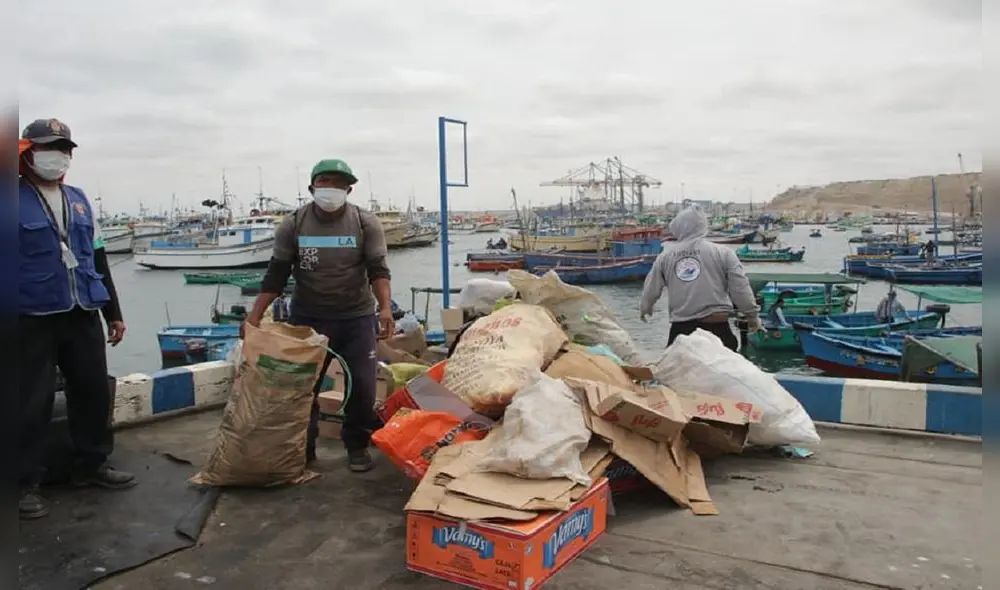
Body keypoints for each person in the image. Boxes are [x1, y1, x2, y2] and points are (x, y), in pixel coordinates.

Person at [244, 158, 393, 473]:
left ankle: (356, 446)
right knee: (302, 388)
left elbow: (378, 269)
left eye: (339, 183)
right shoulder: (294, 224)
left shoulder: (365, 222)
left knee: (363, 387)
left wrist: (386, 308)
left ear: (348, 189)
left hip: (356, 317)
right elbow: (276, 274)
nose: (331, 189)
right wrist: (254, 316)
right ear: (312, 187)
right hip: (308, 317)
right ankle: (304, 449)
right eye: (325, 181)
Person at [18, 118, 134, 520]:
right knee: (29, 401)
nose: (59, 156)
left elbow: (97, 258)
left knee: (91, 392)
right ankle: (24, 482)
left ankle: (92, 464)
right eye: (50, 147)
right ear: (27, 151)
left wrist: (113, 313)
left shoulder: (80, 200)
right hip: (30, 316)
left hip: (81, 311)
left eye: (65, 148)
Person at [639, 206, 761, 351]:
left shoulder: (665, 257)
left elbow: (651, 288)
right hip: (718, 329)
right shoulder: (724, 253)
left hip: (683, 332)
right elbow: (741, 288)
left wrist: (645, 308)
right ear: (703, 225)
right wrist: (752, 316)